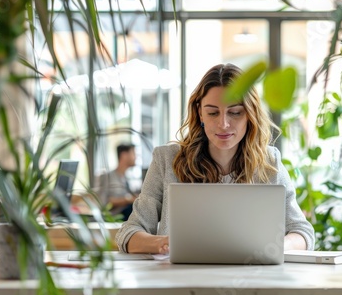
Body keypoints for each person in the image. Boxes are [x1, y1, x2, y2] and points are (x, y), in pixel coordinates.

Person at [115, 63, 315, 254]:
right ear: (200, 113)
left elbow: (303, 233)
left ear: (250, 115)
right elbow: (129, 233)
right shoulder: (166, 160)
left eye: (235, 112)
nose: (223, 124)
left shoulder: (269, 163)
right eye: (212, 113)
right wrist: (164, 243)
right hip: (180, 282)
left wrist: (275, 245)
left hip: (252, 280)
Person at [96, 143, 139, 221]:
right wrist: (127, 200)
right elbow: (102, 202)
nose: (136, 157)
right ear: (124, 155)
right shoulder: (107, 177)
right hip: (113, 217)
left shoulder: (127, 178)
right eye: (133, 153)